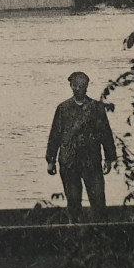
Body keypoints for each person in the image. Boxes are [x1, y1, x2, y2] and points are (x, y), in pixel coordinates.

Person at [46, 71, 117, 223]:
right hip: (68, 161)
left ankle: (99, 232)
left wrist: (109, 158)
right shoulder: (63, 108)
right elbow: (55, 135)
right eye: (75, 86)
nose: (78, 89)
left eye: (82, 86)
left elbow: (105, 133)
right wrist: (50, 159)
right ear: (70, 86)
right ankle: (74, 230)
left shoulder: (96, 108)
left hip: (91, 161)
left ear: (87, 87)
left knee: (98, 200)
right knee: (73, 200)